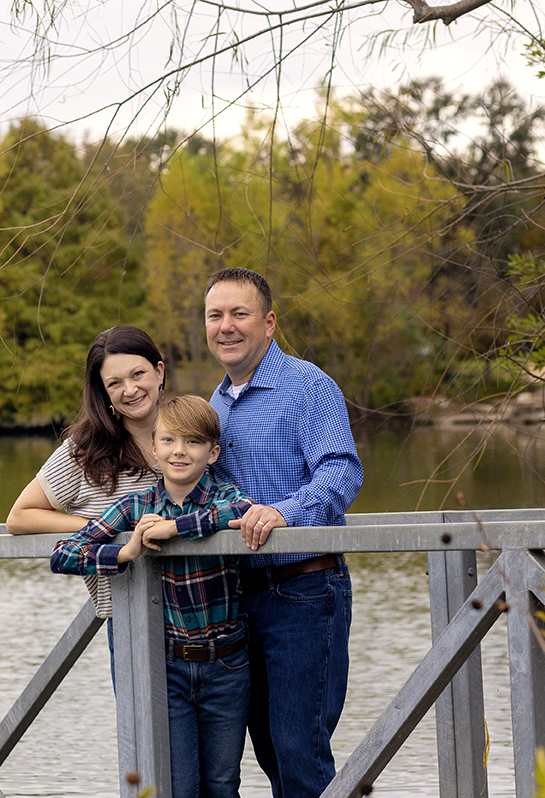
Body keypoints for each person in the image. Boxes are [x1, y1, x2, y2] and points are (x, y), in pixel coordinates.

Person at [204, 267, 363, 798]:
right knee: (271, 752)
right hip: (240, 598)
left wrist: (284, 513)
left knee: (300, 754)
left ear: (268, 323)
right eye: (215, 315)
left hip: (304, 591)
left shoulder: (307, 385)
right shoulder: (216, 404)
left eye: (239, 314)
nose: (226, 326)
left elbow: (341, 471)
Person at [50, 395, 249, 798]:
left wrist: (175, 528)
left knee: (223, 784)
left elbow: (240, 513)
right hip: (167, 668)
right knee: (179, 785)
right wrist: (124, 553)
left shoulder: (224, 495)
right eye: (169, 440)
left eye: (193, 442)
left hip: (227, 665)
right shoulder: (135, 506)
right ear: (154, 450)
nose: (179, 451)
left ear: (212, 453)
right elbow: (64, 554)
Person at [6, 325, 166, 661]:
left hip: (212, 620)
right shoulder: (85, 450)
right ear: (103, 392)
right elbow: (19, 517)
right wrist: (98, 524)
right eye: (115, 383)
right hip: (130, 624)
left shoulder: (193, 431)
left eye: (138, 374)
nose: (131, 389)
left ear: (159, 371)